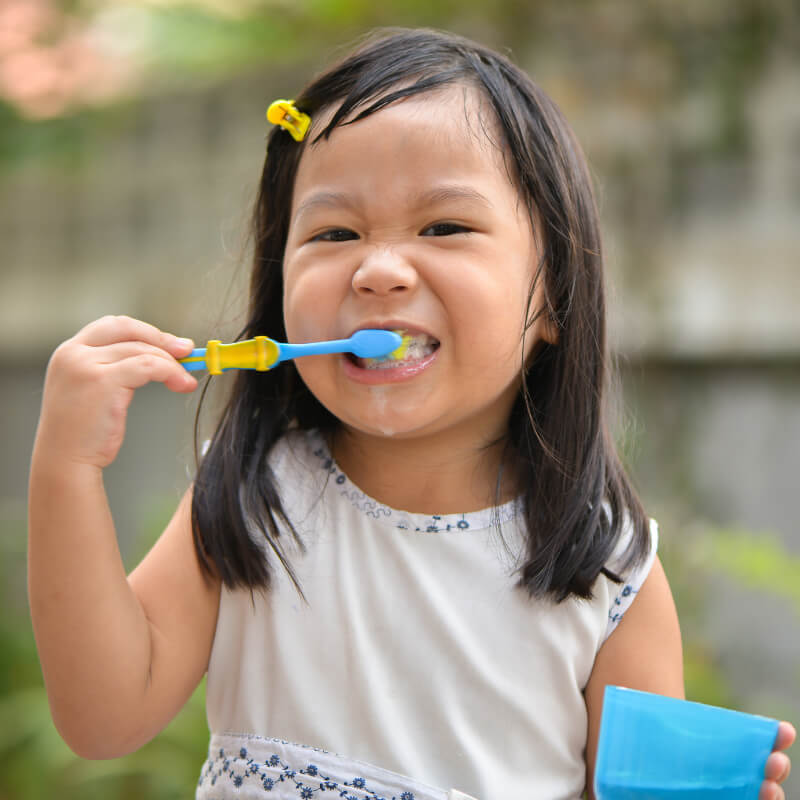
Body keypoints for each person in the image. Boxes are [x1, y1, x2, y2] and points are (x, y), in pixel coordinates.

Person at [28, 28, 794, 800]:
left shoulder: (608, 569)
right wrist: (67, 471)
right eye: (335, 233)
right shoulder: (256, 496)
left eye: (444, 227)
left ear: (555, 296)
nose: (380, 269)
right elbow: (102, 720)